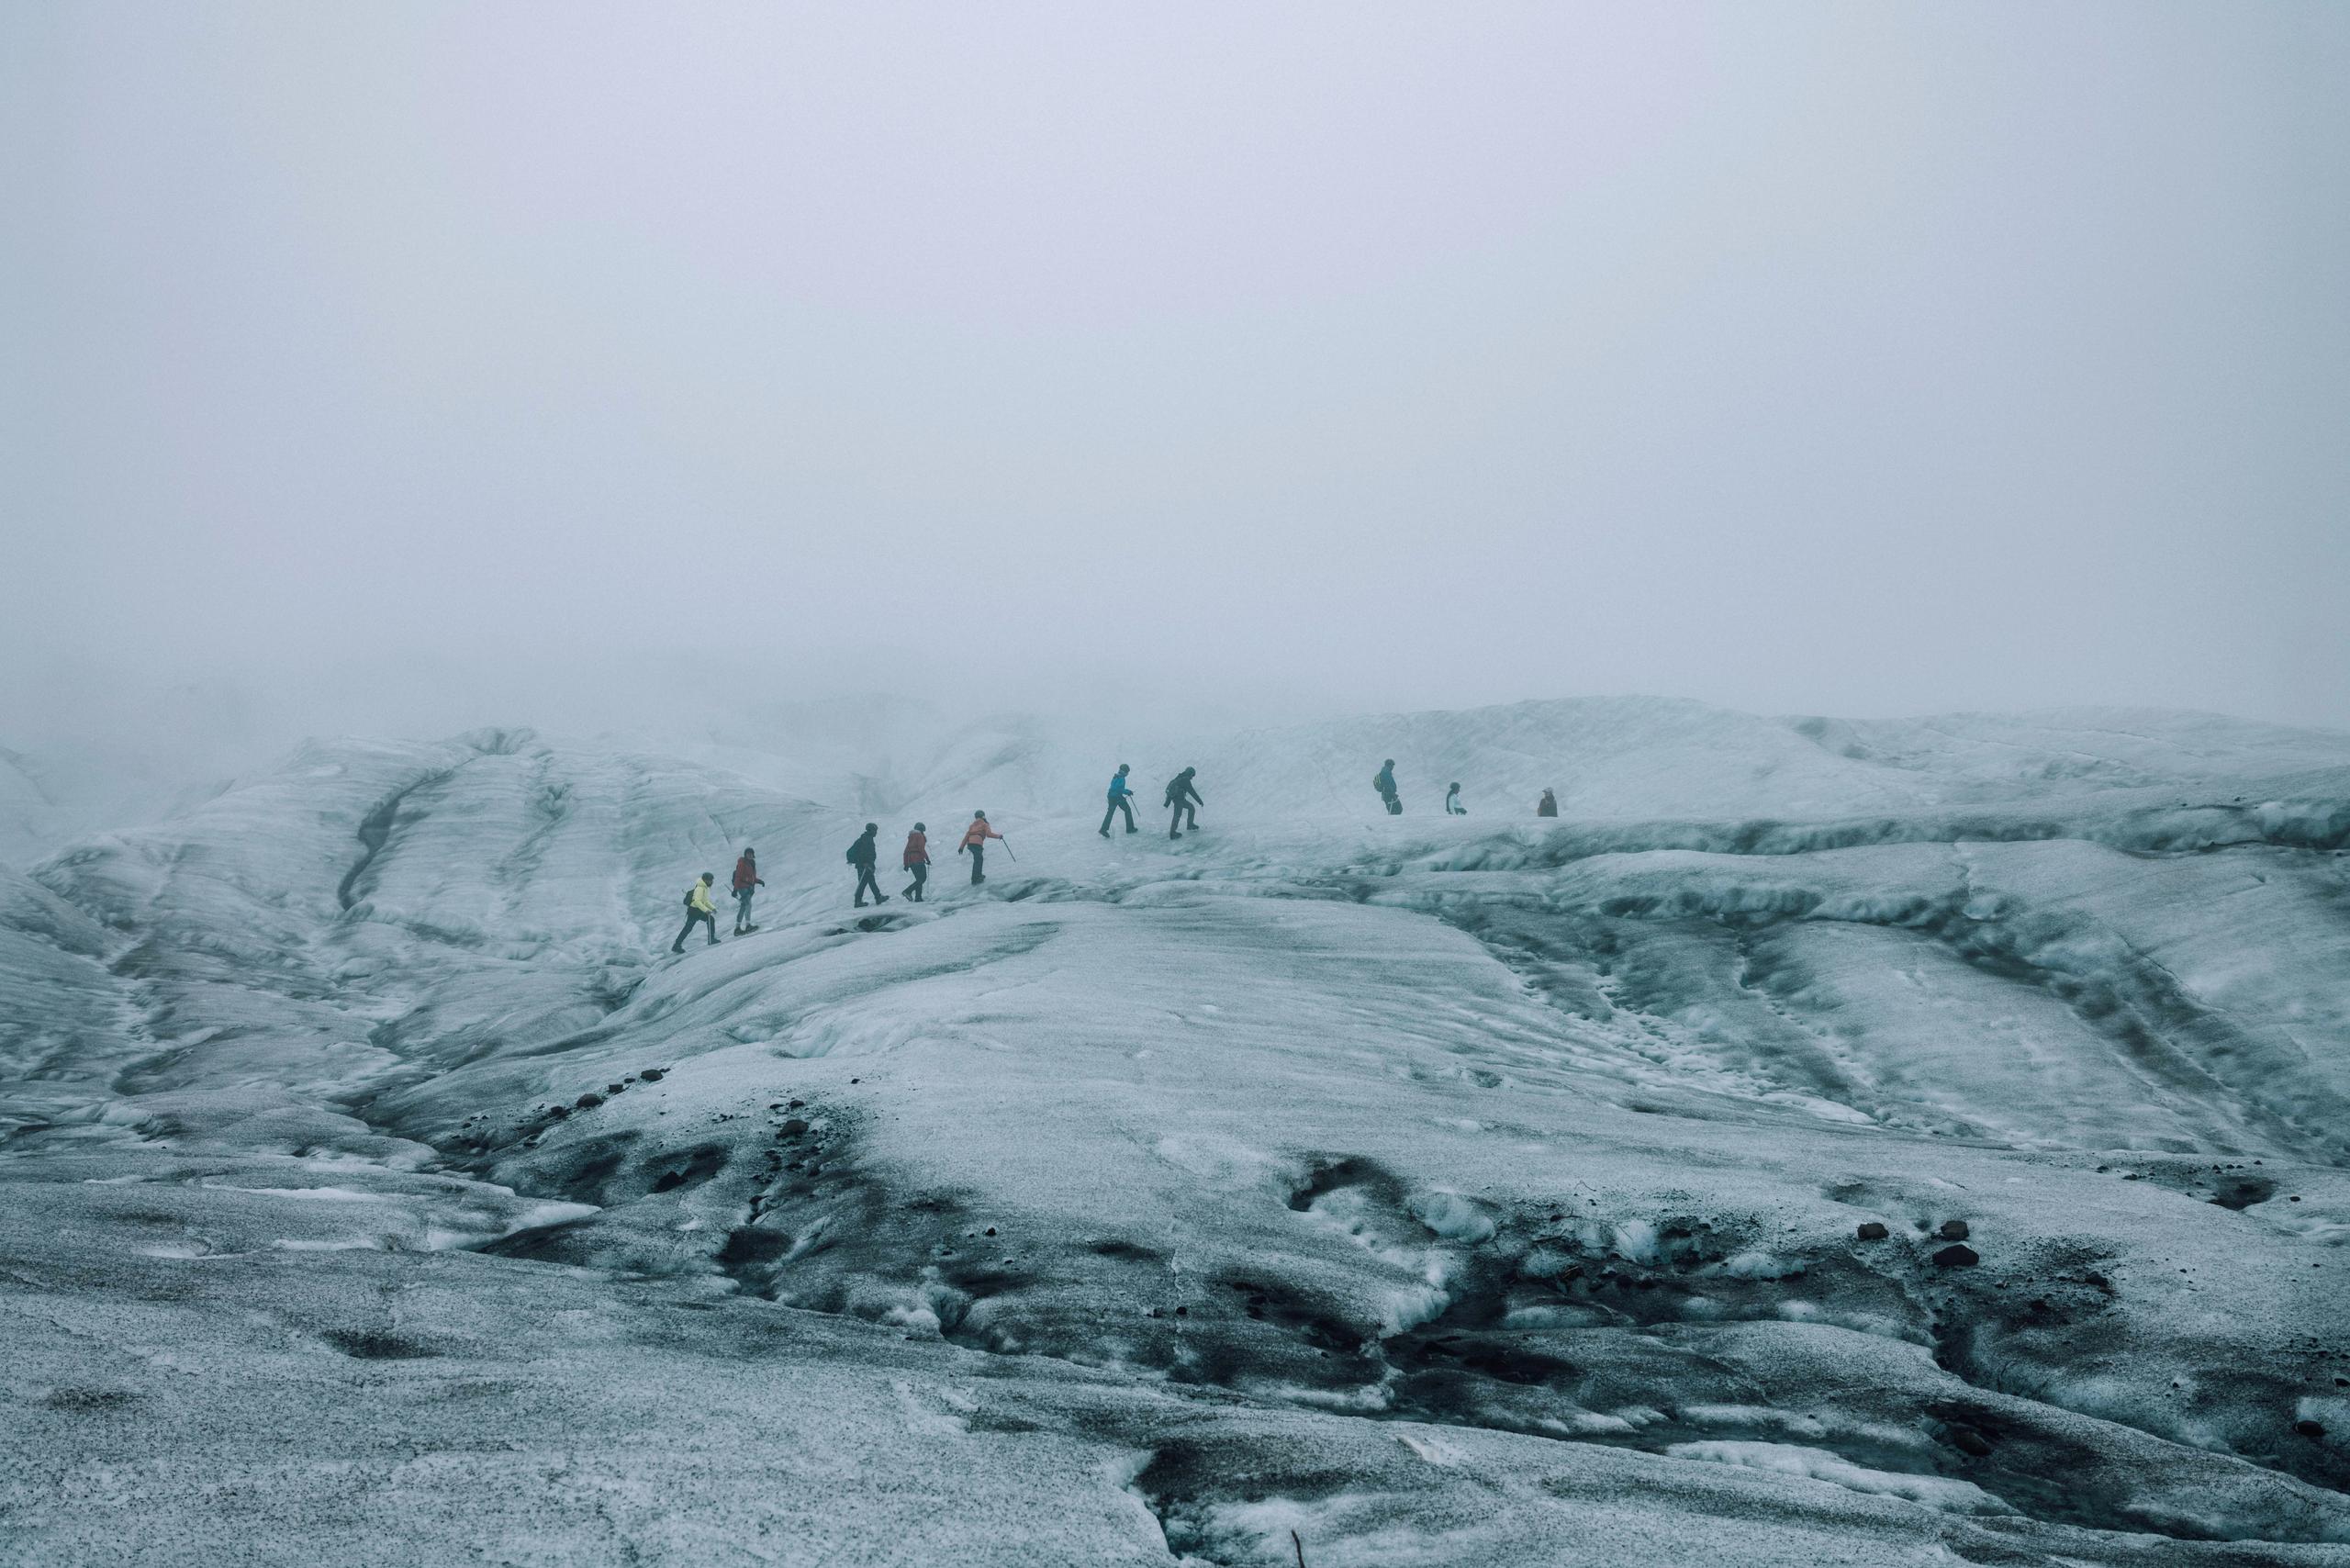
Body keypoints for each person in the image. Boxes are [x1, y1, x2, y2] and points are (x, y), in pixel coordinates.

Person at [671, 872, 720, 953]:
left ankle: (677, 945)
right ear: (705, 880)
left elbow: (705, 901)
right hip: (694, 911)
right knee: (689, 928)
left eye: (712, 880)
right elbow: (697, 902)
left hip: (697, 910)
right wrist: (706, 910)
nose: (712, 882)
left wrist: (713, 908)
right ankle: (676, 945)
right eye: (710, 880)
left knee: (708, 921)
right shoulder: (700, 888)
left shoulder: (705, 888)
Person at [847, 823, 888, 907]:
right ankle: (859, 901)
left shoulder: (865, 838)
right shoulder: (866, 839)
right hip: (864, 865)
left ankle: (877, 897)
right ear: (871, 830)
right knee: (864, 883)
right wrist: (865, 863)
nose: (876, 832)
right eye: (875, 830)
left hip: (864, 865)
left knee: (869, 881)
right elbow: (863, 853)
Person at [959, 811, 1002, 884]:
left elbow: (966, 837)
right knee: (978, 860)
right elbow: (989, 834)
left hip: (970, 844)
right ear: (983, 816)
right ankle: (976, 878)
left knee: (977, 859)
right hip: (977, 843)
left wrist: (961, 847)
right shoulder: (985, 824)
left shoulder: (972, 825)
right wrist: (999, 836)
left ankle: (976, 877)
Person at [731, 848, 765, 935]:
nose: (749, 855)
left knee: (744, 906)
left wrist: (759, 881)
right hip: (742, 887)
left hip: (749, 888)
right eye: (748, 854)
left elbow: (751, 878)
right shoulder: (742, 863)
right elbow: (738, 876)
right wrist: (735, 889)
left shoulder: (751, 863)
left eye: (751, 854)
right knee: (747, 905)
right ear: (745, 854)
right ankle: (747, 926)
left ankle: (738, 928)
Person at [1100, 764, 1137, 837]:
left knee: (1110, 813)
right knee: (1127, 810)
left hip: (1112, 796)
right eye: (1127, 772)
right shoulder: (1121, 778)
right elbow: (1119, 789)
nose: (1127, 774)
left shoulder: (1116, 776)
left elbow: (1115, 788)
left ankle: (1103, 829)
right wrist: (1128, 792)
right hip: (1116, 797)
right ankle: (1130, 828)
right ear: (1124, 771)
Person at [1164, 767, 1203, 838]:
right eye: (1192, 775)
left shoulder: (1180, 777)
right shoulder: (1185, 780)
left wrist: (1167, 803)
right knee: (1177, 815)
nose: (1192, 778)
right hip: (1178, 800)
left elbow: (1171, 788)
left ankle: (1190, 825)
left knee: (1191, 808)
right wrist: (1199, 801)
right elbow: (1192, 792)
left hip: (1180, 799)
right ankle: (1173, 833)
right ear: (1189, 773)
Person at [902, 822, 930, 902]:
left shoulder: (911, 837)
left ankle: (918, 898)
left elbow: (906, 851)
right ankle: (907, 891)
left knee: (919, 879)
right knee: (922, 878)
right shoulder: (919, 836)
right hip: (918, 860)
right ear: (921, 829)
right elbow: (921, 849)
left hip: (911, 861)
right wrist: (927, 859)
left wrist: (906, 864)